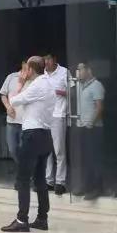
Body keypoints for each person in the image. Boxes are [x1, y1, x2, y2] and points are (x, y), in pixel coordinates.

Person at [1, 57, 55, 233]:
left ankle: (22, 220)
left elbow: (14, 100)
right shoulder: (48, 83)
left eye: (26, 69)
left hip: (32, 135)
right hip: (45, 135)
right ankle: (42, 218)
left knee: (23, 179)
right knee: (40, 179)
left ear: (31, 70)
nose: (24, 72)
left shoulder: (37, 85)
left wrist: (20, 83)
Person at [76, 62, 105, 200]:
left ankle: (96, 188)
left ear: (89, 70)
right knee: (85, 159)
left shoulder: (96, 85)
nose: (79, 72)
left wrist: (91, 123)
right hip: (82, 127)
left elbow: (99, 107)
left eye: (81, 69)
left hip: (93, 128)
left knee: (94, 159)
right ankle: (86, 186)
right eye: (78, 70)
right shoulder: (81, 86)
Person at [43, 54, 69, 196]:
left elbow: (73, 92)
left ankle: (60, 182)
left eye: (48, 59)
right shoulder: (42, 74)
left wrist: (59, 92)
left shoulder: (64, 72)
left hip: (59, 114)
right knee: (46, 150)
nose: (46, 62)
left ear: (54, 60)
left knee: (59, 150)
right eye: (44, 59)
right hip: (44, 116)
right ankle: (48, 181)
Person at [0, 60, 27, 163]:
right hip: (12, 121)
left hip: (26, 122)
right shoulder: (11, 77)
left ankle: (25, 170)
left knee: (25, 150)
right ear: (22, 64)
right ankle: (23, 168)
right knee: (12, 149)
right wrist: (8, 107)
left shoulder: (34, 80)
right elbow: (3, 94)